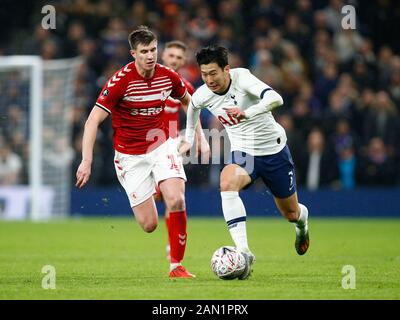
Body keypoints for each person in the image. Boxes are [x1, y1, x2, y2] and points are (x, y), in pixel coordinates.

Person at [76, 26, 204, 278]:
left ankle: (176, 266)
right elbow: (92, 121)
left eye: (153, 50)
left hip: (161, 145)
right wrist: (86, 161)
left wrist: (193, 135)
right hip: (129, 156)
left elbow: (191, 102)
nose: (150, 55)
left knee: (176, 199)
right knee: (149, 225)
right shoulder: (120, 82)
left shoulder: (168, 76)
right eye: (144, 51)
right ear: (133, 53)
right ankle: (152, 187)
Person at [179, 46, 310, 280]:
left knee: (290, 213)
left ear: (226, 70)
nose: (209, 80)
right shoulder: (202, 94)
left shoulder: (242, 77)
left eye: (213, 73)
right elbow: (192, 108)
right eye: (204, 74)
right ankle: (244, 251)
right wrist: (189, 139)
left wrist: (246, 113)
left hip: (274, 151)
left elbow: (275, 98)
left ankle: (302, 224)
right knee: (226, 182)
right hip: (244, 152)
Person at [155, 40, 210, 261]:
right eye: (171, 56)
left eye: (179, 57)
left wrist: (200, 139)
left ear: (183, 61)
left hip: (169, 145)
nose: (175, 60)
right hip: (144, 146)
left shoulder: (184, 87)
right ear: (163, 56)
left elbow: (192, 111)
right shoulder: (149, 81)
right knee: (153, 205)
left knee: (175, 198)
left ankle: (172, 246)